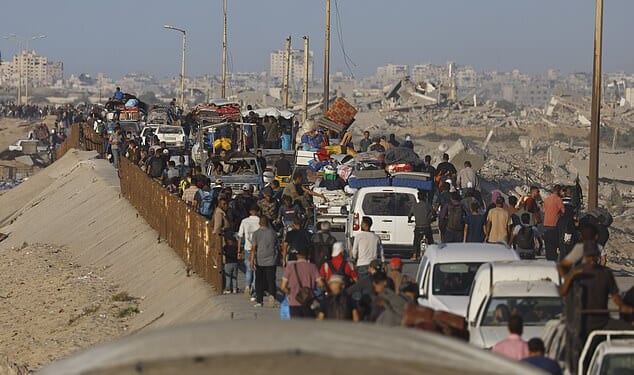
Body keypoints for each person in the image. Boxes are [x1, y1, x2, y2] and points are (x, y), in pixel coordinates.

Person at [559, 241, 633, 338]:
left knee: (628, 331)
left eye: (594, 256)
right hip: (581, 321)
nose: (592, 259)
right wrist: (570, 277)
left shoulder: (605, 273)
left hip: (602, 320)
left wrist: (624, 307)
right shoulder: (576, 272)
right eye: (589, 256)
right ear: (584, 256)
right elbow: (562, 292)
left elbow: (615, 297)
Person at [280, 248, 325, 318]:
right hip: (309, 301)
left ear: (297, 255)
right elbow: (321, 284)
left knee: (296, 326)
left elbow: (283, 287)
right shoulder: (313, 267)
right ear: (308, 256)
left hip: (294, 301)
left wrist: (290, 292)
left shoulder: (290, 267)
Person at [250, 217, 279, 308]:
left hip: (260, 260)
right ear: (267, 223)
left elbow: (253, 248)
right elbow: (276, 245)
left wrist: (252, 261)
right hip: (271, 260)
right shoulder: (273, 233)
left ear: (259, 223)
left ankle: (259, 300)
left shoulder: (256, 233)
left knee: (259, 281)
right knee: (271, 280)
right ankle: (272, 297)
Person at [237, 205, 261, 298]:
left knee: (248, 268)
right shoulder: (260, 221)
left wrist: (239, 250)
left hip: (248, 248)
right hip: (258, 248)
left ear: (250, 211)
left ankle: (247, 286)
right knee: (256, 269)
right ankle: (254, 288)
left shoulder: (244, 221)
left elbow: (240, 236)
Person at [408, 190, 434, 260]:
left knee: (416, 240)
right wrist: (432, 219)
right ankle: (433, 253)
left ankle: (414, 255)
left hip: (418, 227)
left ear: (418, 197)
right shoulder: (428, 205)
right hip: (427, 226)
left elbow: (410, 215)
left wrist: (409, 220)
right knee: (430, 240)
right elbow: (434, 213)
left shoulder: (415, 206)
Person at [543, 185, 565, 261]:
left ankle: (548, 261)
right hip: (554, 225)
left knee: (548, 246)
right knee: (554, 246)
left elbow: (544, 210)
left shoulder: (547, 199)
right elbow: (563, 211)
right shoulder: (558, 200)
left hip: (546, 224)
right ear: (559, 191)